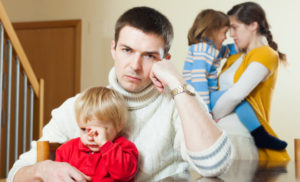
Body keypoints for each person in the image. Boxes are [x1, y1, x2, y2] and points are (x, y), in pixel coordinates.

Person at [7, 6, 233, 182]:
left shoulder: (178, 102)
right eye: (127, 50)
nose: (134, 65)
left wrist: (177, 83)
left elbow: (214, 164)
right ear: (113, 49)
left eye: (149, 56)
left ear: (165, 60)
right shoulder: (78, 105)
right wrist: (42, 168)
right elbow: (15, 174)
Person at [183, 9, 287, 151]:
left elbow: (230, 50)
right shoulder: (201, 50)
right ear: (211, 31)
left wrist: (251, 43)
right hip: (198, 97)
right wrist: (205, 112)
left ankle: (260, 135)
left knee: (239, 101)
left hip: (206, 96)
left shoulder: (212, 49)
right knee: (240, 101)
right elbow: (198, 80)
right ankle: (260, 135)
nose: (227, 37)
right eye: (224, 32)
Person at [211, 2, 290, 161]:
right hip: (218, 136)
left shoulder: (266, 54)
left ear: (253, 25)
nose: (231, 34)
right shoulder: (235, 57)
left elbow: (235, 95)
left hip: (242, 138)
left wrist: (210, 116)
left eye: (235, 27)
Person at [55, 86, 138, 181]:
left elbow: (124, 174)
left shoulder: (124, 148)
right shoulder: (67, 150)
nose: (91, 138)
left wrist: (105, 145)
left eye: (99, 132)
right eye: (84, 129)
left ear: (118, 126)